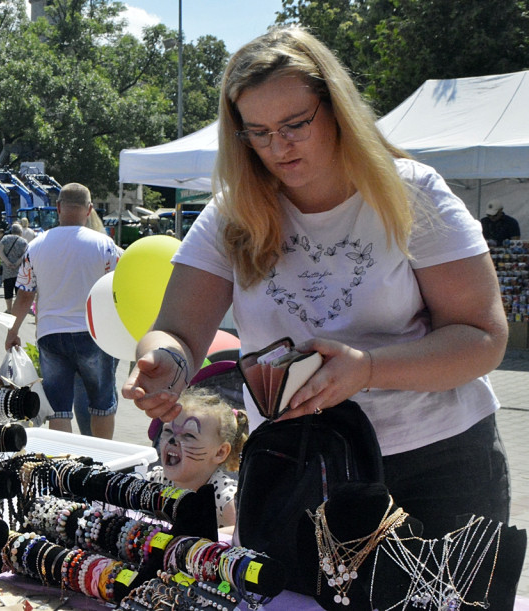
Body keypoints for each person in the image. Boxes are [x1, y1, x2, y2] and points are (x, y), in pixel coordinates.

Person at [123, 27, 509, 538]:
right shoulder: (231, 215)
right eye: (256, 132)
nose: (277, 146)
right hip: (294, 466)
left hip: (435, 466)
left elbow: (483, 338)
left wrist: (367, 369)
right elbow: (178, 329)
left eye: (294, 124)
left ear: (336, 110)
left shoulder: (411, 194)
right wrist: (163, 362)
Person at [5, 183, 121, 438]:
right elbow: (118, 290)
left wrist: (11, 331)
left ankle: (66, 467)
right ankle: (101, 466)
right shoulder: (106, 245)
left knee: (59, 409)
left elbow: (24, 296)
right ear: (89, 209)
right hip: (94, 333)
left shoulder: (35, 246)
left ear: (58, 208)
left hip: (50, 334)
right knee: (102, 405)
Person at [147, 388, 248, 529]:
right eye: (168, 431)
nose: (173, 440)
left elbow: (242, 531)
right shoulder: (156, 480)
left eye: (189, 435)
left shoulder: (223, 496)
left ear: (220, 452)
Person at [0, 223, 28, 313]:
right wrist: (17, 263)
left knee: (8, 289)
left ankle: (9, 309)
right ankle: (17, 309)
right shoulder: (23, 241)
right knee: (18, 290)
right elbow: (25, 254)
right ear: (20, 232)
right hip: (19, 269)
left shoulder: (5, 239)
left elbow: (0, 251)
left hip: (7, 269)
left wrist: (7, 262)